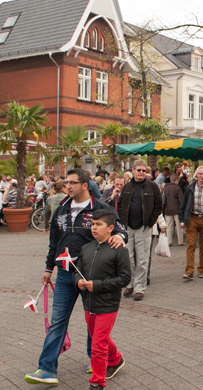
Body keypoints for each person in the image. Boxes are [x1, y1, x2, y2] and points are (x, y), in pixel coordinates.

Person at [25, 169, 127, 385]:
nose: (68, 186)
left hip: (92, 276)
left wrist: (119, 236)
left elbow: (119, 228)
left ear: (85, 185)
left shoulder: (101, 207)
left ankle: (96, 360)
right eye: (66, 183)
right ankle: (46, 369)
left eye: (72, 183)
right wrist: (48, 268)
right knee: (58, 321)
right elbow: (54, 242)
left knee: (93, 321)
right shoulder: (61, 208)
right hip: (64, 275)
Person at [75, 209, 131, 388]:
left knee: (98, 344)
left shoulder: (118, 249)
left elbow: (124, 278)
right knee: (99, 336)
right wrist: (79, 282)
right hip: (89, 303)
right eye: (93, 224)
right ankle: (116, 359)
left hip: (108, 304)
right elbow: (77, 271)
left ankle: (97, 383)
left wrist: (97, 285)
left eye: (99, 224)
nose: (94, 228)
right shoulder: (86, 248)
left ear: (111, 228)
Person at [116, 159, 163, 301]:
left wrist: (151, 221)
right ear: (133, 171)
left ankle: (140, 288)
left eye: (144, 170)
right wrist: (122, 220)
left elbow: (158, 205)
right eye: (139, 170)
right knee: (128, 258)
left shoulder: (152, 187)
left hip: (144, 227)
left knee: (142, 260)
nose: (141, 172)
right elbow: (120, 205)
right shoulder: (127, 187)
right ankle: (130, 283)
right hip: (128, 227)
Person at [163, 174, 185, 246]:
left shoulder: (165, 188)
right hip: (177, 210)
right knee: (179, 226)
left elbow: (163, 200)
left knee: (169, 227)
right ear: (176, 180)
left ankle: (169, 241)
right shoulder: (178, 188)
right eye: (178, 180)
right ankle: (180, 241)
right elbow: (181, 200)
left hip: (167, 210)